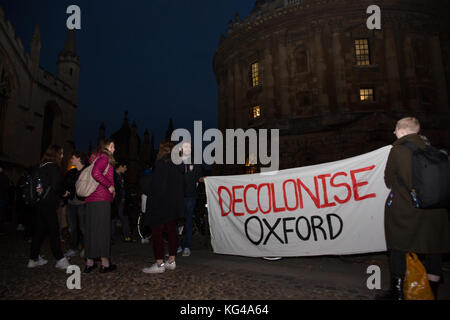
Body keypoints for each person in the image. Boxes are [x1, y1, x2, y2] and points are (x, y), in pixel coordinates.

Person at [380, 117, 450, 300]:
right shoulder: (434, 150)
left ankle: (397, 293)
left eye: (395, 129)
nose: (394, 133)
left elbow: (388, 180)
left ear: (402, 130)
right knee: (433, 250)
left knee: (398, 247)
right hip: (435, 210)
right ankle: (431, 292)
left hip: (406, 210)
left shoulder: (398, 149)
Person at [142, 141, 184, 274]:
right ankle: (171, 261)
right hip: (173, 205)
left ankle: (159, 263)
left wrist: (146, 185)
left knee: (157, 234)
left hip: (160, 205)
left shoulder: (161, 164)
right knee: (172, 232)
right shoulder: (178, 165)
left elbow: (156, 187)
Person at [27, 145, 71, 270]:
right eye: (61, 153)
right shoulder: (53, 167)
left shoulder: (39, 166)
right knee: (54, 231)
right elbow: (57, 185)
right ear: (56, 154)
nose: (62, 156)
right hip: (49, 203)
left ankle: (33, 258)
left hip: (39, 203)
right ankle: (60, 259)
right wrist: (64, 193)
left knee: (39, 231)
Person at [84, 139, 117, 273]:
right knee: (103, 230)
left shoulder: (96, 158)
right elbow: (96, 173)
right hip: (101, 199)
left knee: (92, 230)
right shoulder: (104, 158)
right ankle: (105, 263)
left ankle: (89, 262)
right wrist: (109, 186)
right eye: (112, 146)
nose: (114, 149)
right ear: (107, 147)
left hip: (92, 199)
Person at [177, 142, 204, 257]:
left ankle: (187, 246)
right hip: (177, 196)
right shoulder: (176, 162)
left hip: (190, 196)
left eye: (189, 147)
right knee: (176, 222)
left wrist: (206, 179)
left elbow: (199, 177)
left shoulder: (195, 162)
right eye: (186, 146)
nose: (188, 148)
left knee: (188, 221)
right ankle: (177, 245)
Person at [63, 151, 88, 258]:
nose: (71, 160)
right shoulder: (71, 172)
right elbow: (64, 184)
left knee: (83, 227)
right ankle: (73, 248)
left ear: (79, 159)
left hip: (83, 203)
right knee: (72, 227)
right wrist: (65, 192)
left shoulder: (87, 172)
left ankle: (86, 248)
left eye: (73, 157)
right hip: (71, 203)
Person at [112, 162, 131, 242]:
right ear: (120, 166)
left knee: (124, 217)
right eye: (125, 167)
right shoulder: (113, 176)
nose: (126, 169)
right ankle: (111, 237)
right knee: (113, 218)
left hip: (122, 201)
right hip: (115, 201)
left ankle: (127, 235)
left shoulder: (123, 176)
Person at [0, 164, 9, 236]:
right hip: (2, 198)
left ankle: (1, 229)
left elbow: (6, 188)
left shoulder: (4, 177)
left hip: (2, 198)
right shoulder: (5, 177)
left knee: (1, 214)